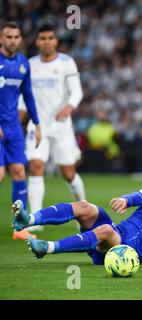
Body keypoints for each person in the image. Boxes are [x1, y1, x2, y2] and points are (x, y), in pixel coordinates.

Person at [13, 169, 142, 266]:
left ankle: (46, 248)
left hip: (128, 252)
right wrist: (125, 200)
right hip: (117, 233)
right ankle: (28, 219)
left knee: (106, 231)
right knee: (86, 208)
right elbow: (138, 196)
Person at [18, 23, 85, 233]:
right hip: (37, 126)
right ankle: (36, 220)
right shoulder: (29, 64)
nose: (46, 42)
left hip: (61, 126)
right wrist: (17, 121)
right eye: (42, 38)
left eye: (50, 38)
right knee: (36, 166)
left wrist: (69, 107)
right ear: (37, 42)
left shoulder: (67, 62)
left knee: (68, 173)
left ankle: (84, 208)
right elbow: (23, 98)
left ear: (56, 41)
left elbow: (77, 92)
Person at [0, 21, 41, 240]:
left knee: (19, 173)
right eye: (8, 37)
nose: (12, 40)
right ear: (1, 38)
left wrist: (37, 123)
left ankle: (19, 227)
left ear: (21, 39)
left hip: (14, 128)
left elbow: (28, 96)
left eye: (16, 37)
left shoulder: (23, 64)